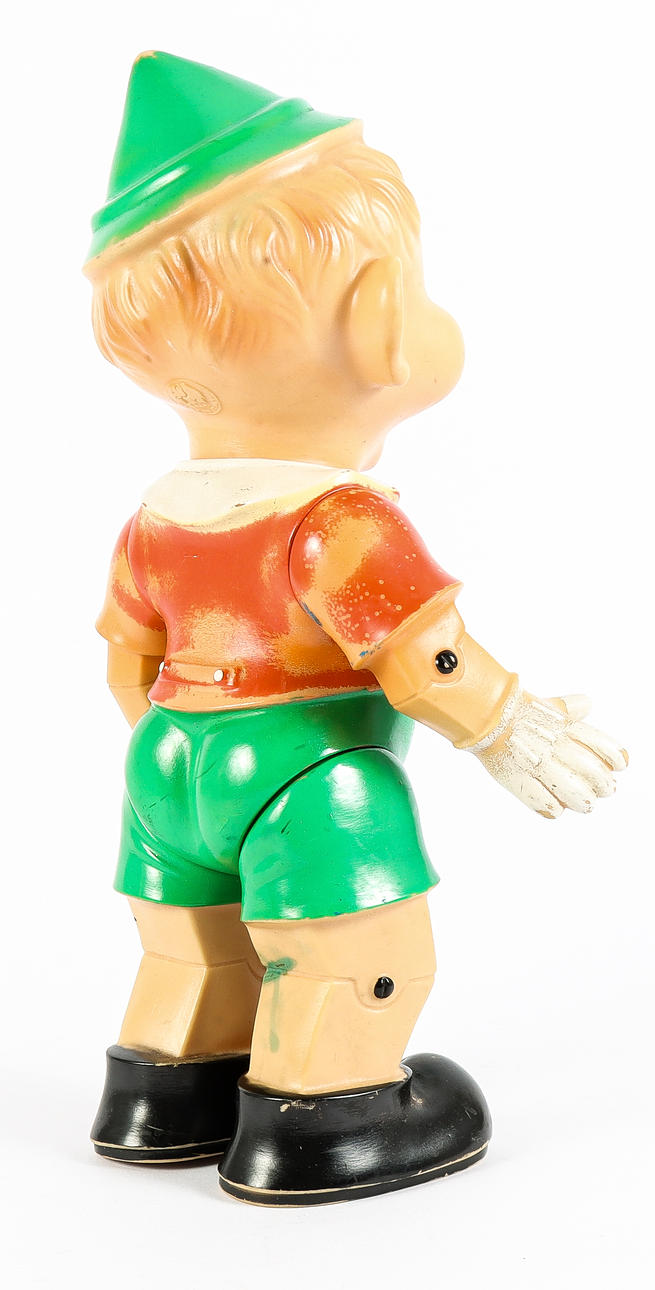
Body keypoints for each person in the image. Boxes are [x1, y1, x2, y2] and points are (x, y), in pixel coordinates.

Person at [86, 51, 627, 1204]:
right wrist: (508, 727)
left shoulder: (156, 516)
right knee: (353, 955)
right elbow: (425, 657)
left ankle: (163, 1092)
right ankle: (320, 1110)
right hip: (310, 774)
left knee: (192, 943)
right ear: (382, 324)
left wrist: (190, 751)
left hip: (167, 760)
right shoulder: (338, 520)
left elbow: (129, 659)